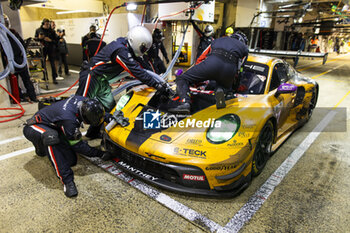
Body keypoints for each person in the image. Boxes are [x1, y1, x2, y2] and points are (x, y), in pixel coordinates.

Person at [76, 25, 173, 138]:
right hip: (92, 76)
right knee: (79, 106)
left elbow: (143, 65)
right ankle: (70, 136)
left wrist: (157, 79)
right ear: (136, 42)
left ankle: (92, 133)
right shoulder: (120, 50)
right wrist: (156, 84)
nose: (144, 51)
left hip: (102, 81)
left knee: (108, 109)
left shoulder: (128, 47)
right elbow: (135, 70)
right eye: (143, 48)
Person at [23, 96, 114, 197]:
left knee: (71, 161)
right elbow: (78, 146)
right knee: (51, 138)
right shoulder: (69, 120)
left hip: (53, 125)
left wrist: (109, 117)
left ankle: (41, 147)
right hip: (34, 127)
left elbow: (94, 110)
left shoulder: (84, 101)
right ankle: (67, 181)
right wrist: (99, 154)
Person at [169, 31, 249, 114]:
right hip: (229, 70)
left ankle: (185, 103)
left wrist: (197, 77)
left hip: (213, 63)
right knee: (223, 88)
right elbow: (240, 71)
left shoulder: (219, 40)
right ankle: (220, 95)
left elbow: (201, 58)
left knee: (182, 78)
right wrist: (233, 88)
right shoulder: (244, 49)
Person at [1, 14, 37, 102]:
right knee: (15, 82)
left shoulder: (13, 33)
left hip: (18, 61)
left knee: (25, 80)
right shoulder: (4, 36)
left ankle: (31, 97)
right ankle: (20, 97)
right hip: (12, 62)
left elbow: (22, 46)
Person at [35, 18, 59, 84]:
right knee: (43, 63)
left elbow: (56, 41)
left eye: (48, 24)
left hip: (51, 48)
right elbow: (35, 39)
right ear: (43, 24)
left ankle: (54, 77)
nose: (47, 26)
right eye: (46, 24)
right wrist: (39, 38)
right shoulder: (38, 30)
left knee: (52, 64)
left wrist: (50, 40)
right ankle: (45, 76)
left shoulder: (51, 31)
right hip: (43, 48)